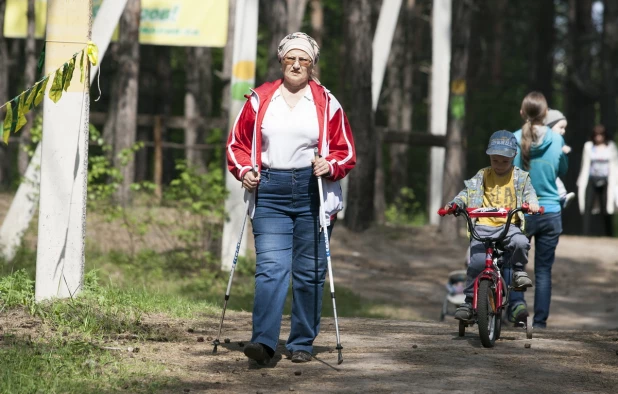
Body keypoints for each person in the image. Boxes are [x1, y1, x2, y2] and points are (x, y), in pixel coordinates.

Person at [226, 32, 356, 366]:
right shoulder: (259, 99)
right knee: (271, 268)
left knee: (309, 271)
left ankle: (301, 342)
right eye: (290, 58)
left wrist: (330, 164)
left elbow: (346, 151)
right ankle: (264, 343)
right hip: (269, 188)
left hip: (312, 190)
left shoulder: (327, 102)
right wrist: (244, 171)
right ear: (281, 60)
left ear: (312, 65)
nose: (296, 65)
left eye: (304, 60)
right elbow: (236, 144)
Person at [445, 130, 539, 322]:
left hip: (508, 226)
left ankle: (518, 271)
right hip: (483, 227)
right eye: (495, 161)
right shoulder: (482, 175)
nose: (499, 166)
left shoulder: (520, 177)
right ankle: (469, 300)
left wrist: (532, 204)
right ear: (489, 157)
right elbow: (466, 193)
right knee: (476, 263)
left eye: (504, 162)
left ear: (514, 157)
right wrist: (455, 204)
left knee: (521, 242)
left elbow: (529, 193)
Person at [511, 91, 568, 328]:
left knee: (514, 264)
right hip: (551, 211)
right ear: (546, 114)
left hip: (523, 212)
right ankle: (541, 322)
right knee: (544, 270)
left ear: (522, 113)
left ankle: (517, 307)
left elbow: (511, 176)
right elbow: (562, 170)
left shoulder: (514, 138)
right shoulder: (557, 141)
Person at [577, 124, 618, 237]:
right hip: (591, 179)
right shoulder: (589, 147)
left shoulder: (611, 147)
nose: (599, 138)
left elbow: (614, 165)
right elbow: (585, 165)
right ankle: (585, 233)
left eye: (601, 135)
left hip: (607, 181)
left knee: (606, 208)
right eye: (596, 135)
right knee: (587, 206)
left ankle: (608, 234)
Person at [545, 109, 576, 208]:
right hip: (545, 170)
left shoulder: (558, 140)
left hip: (551, 170)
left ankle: (562, 196)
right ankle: (562, 196)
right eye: (561, 127)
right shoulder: (549, 139)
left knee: (556, 181)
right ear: (549, 125)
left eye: (565, 128)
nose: (563, 131)